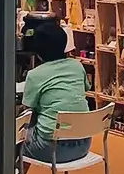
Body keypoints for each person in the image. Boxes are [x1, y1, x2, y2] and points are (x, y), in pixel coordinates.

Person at [21, 19, 91, 165]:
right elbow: (84, 89)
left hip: (51, 149)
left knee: (12, 140)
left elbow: (28, 109)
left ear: (37, 50)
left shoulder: (35, 75)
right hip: (84, 144)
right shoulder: (77, 66)